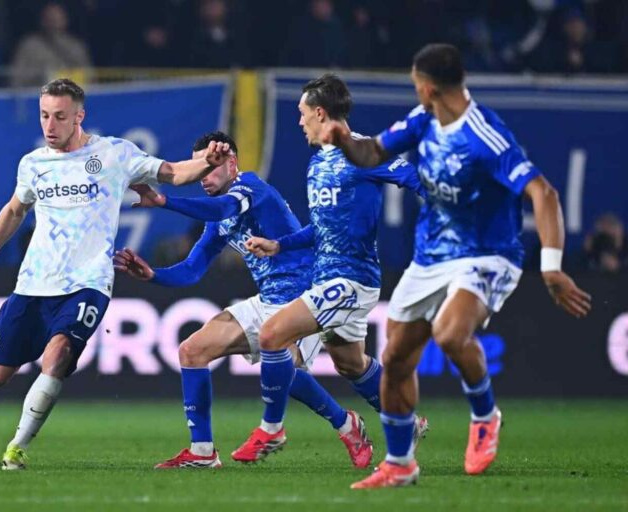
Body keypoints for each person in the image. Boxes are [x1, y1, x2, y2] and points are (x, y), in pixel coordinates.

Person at [317, 44, 591, 489]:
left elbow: (544, 194)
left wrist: (552, 266)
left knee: (448, 333)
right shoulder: (423, 121)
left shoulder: (485, 135)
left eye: (414, 83)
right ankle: (401, 463)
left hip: (487, 254)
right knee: (395, 357)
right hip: (431, 258)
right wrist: (344, 140)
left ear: (427, 87)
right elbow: (372, 154)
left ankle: (485, 415)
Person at [0, 78, 230, 470]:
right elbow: (14, 211)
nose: (49, 126)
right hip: (34, 283)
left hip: (88, 283)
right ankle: (19, 343)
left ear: (79, 116)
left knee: (57, 355)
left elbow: (173, 172)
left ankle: (16, 447)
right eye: (44, 116)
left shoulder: (114, 155)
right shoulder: (33, 163)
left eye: (59, 117)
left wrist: (208, 161)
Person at [114, 131, 376, 470]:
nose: (202, 176)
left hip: (305, 296)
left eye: (210, 167)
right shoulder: (218, 221)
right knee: (192, 351)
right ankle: (203, 451)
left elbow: (224, 205)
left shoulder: (250, 188)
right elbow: (193, 270)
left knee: (287, 366)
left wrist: (166, 202)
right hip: (266, 300)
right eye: (197, 169)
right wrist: (153, 275)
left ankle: (345, 424)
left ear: (232, 163)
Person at [243, 73, 427, 474]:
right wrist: (281, 245)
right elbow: (321, 227)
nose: (299, 122)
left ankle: (271, 429)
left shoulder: (363, 151)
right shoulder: (319, 161)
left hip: (351, 280)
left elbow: (413, 178)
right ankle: (406, 422)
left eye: (303, 113)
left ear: (321, 113)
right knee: (350, 364)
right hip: (330, 278)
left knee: (273, 334)